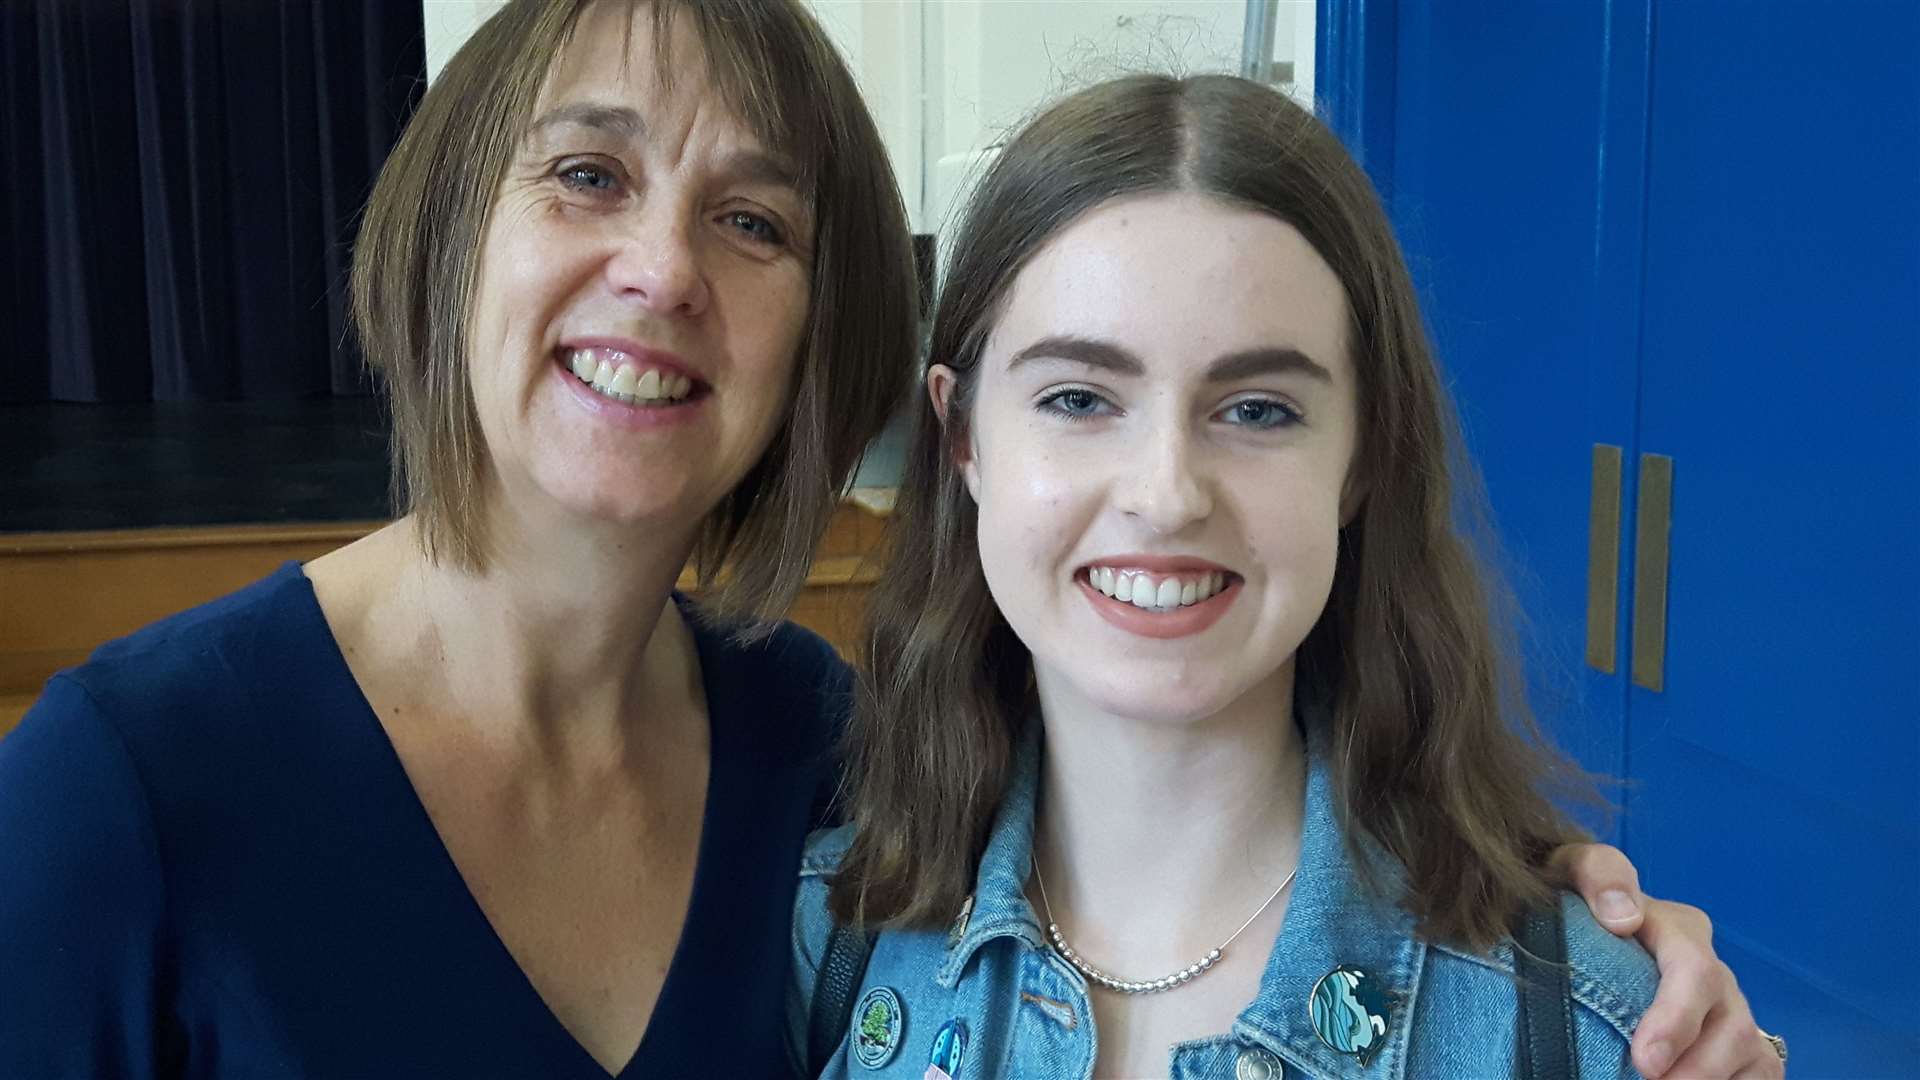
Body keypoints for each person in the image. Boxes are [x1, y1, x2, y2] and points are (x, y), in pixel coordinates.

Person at [0, 2, 1766, 1077]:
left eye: (752, 217)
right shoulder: (122, 789)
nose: (666, 270)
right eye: (589, 174)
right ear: (960, 437)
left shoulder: (819, 776)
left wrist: (1579, 943)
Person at [790, 73, 1787, 1080]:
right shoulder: (826, 946)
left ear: (1361, 460)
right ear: (963, 437)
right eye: (1081, 398)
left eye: (1258, 409)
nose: (1168, 494)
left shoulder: (1596, 1028)